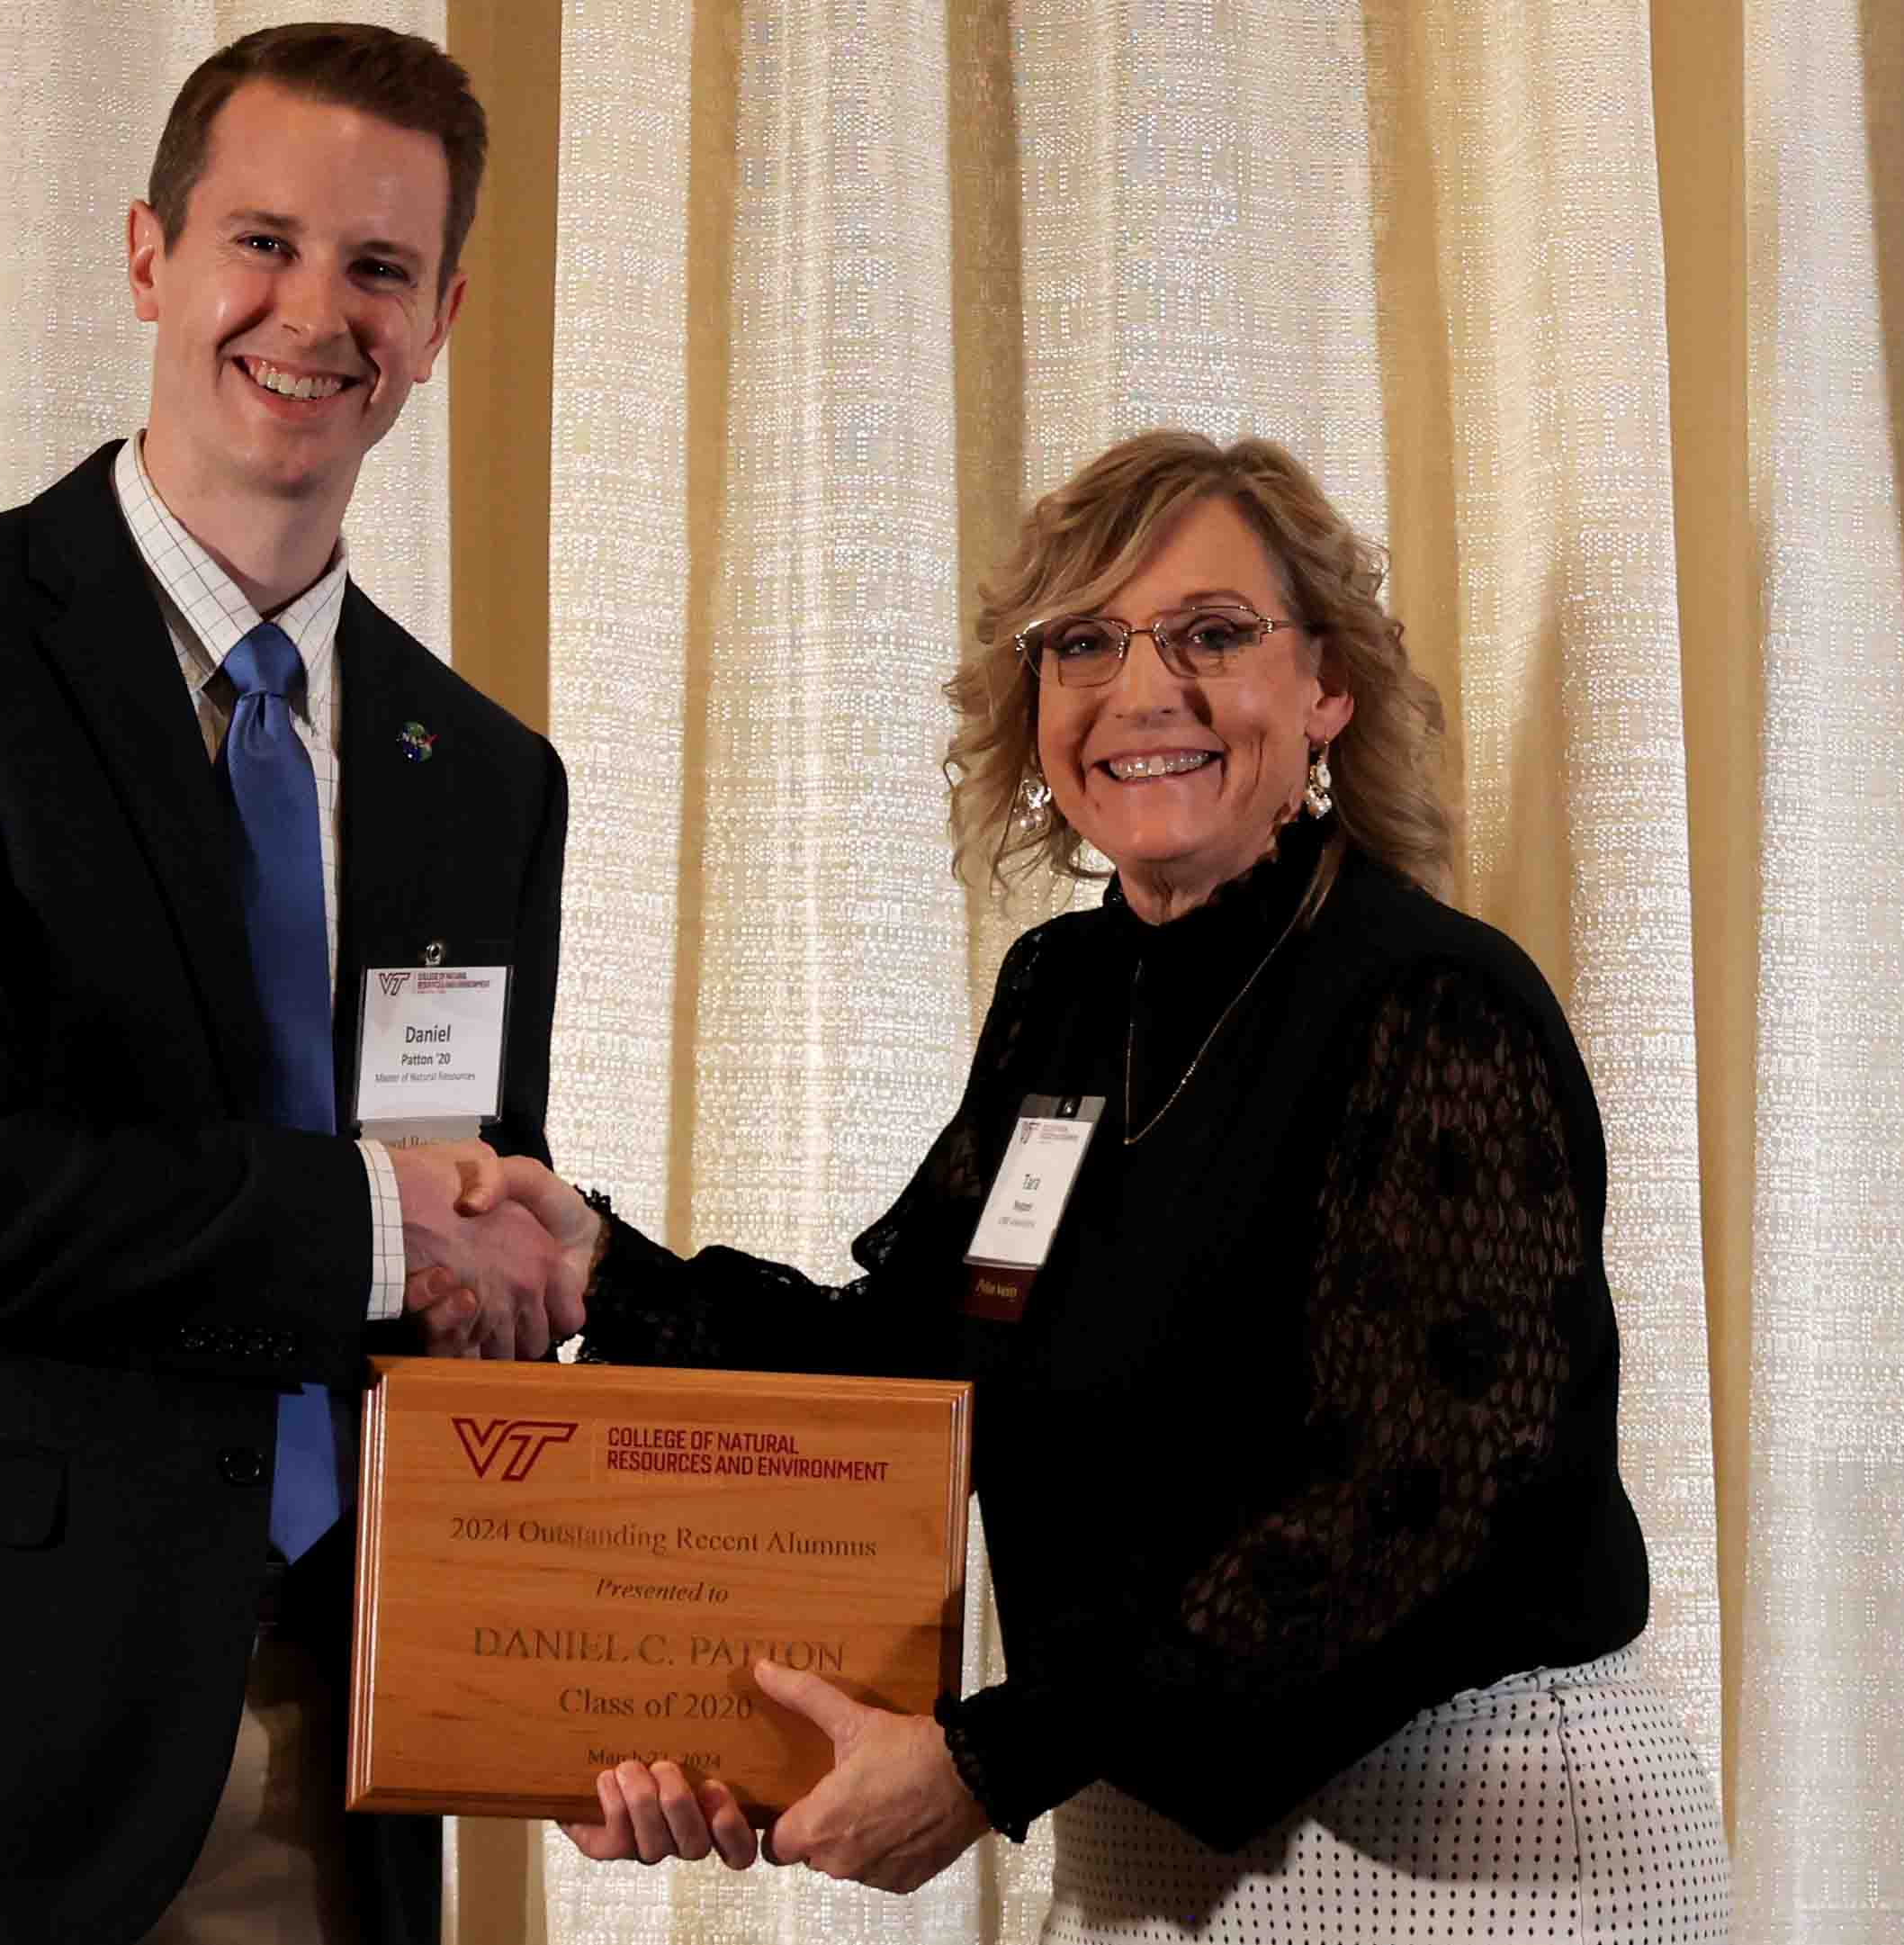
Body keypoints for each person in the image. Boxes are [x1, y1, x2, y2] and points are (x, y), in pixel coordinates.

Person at [502, 432, 1732, 1940]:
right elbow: (919, 1366)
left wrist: (984, 1758)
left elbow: (1409, 1492)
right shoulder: (1064, 997)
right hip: (1140, 1836)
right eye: (1083, 640)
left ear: (1327, 686)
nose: (1141, 689)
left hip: (1471, 1845)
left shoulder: (1430, 999)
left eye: (1212, 633)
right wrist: (591, 1271)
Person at [0, 25, 587, 1945]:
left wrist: (546, 1277)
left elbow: (445, 1202)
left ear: (444, 317)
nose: (312, 313)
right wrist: (384, 1226)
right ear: (148, 256)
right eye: (264, 241)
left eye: (379, 269)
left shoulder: (479, 772)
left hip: (323, 1757)